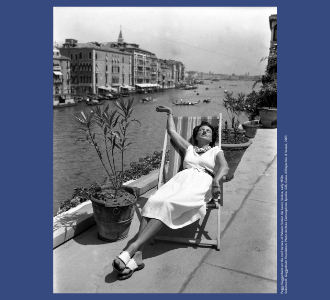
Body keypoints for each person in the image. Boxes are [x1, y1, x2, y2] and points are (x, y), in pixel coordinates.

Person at [112, 105, 229, 280]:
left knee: (166, 204)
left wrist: (215, 181)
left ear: (212, 138)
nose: (205, 132)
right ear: (196, 135)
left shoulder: (215, 150)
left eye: (209, 131)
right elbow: (172, 131)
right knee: (152, 201)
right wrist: (170, 114)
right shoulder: (189, 148)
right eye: (202, 130)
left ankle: (132, 248)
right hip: (179, 181)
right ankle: (137, 257)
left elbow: (225, 167)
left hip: (201, 183)